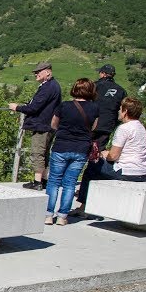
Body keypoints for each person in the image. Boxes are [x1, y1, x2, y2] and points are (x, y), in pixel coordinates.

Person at [74, 96, 146, 214]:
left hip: (127, 172)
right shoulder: (141, 127)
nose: (118, 111)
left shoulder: (124, 128)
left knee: (92, 167)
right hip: (142, 172)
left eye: (120, 109)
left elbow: (114, 156)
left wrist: (104, 154)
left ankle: (83, 207)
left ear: (125, 112)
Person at [43, 78, 98, 226]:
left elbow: (54, 124)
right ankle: (62, 216)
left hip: (61, 146)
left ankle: (48, 215)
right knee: (70, 183)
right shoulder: (94, 108)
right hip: (81, 149)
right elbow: (93, 128)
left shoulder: (64, 106)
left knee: (54, 181)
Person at [8, 61, 62, 190]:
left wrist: (18, 108)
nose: (36, 74)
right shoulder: (53, 86)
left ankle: (37, 182)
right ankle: (43, 180)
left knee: (37, 152)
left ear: (47, 72)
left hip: (42, 125)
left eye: (38, 72)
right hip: (49, 124)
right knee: (44, 153)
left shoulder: (48, 87)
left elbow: (35, 107)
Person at [91, 64, 128, 148]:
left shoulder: (94, 86)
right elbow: (123, 109)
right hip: (107, 126)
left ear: (103, 74)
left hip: (90, 124)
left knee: (83, 152)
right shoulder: (121, 91)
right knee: (97, 152)